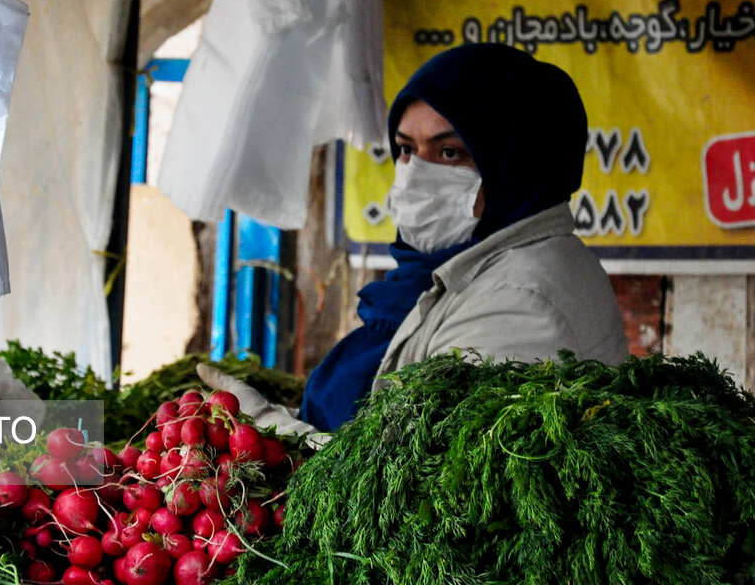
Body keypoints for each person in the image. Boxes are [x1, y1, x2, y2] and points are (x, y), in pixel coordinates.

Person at [197, 43, 629, 442]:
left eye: (449, 153)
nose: (416, 175)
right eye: (405, 149)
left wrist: (270, 429)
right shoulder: (444, 276)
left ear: (519, 164)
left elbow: (415, 486)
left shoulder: (523, 302)